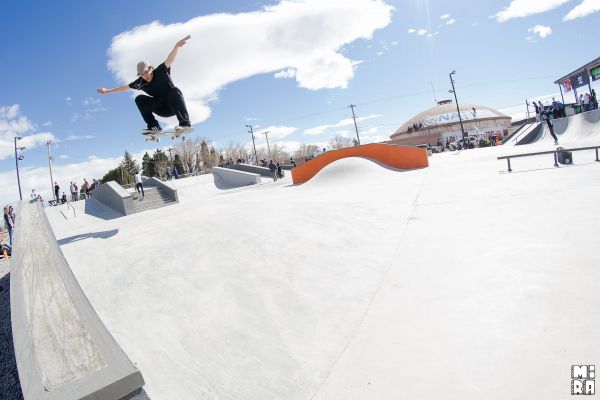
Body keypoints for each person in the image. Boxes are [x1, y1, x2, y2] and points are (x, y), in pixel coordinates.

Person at [96, 35, 193, 134]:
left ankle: (185, 124)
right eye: (141, 74)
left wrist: (176, 47)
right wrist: (108, 91)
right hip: (161, 109)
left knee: (175, 90)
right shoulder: (140, 82)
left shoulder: (161, 71)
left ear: (151, 68)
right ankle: (154, 126)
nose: (144, 76)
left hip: (173, 105)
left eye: (146, 72)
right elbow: (125, 88)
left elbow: (169, 60)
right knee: (139, 99)